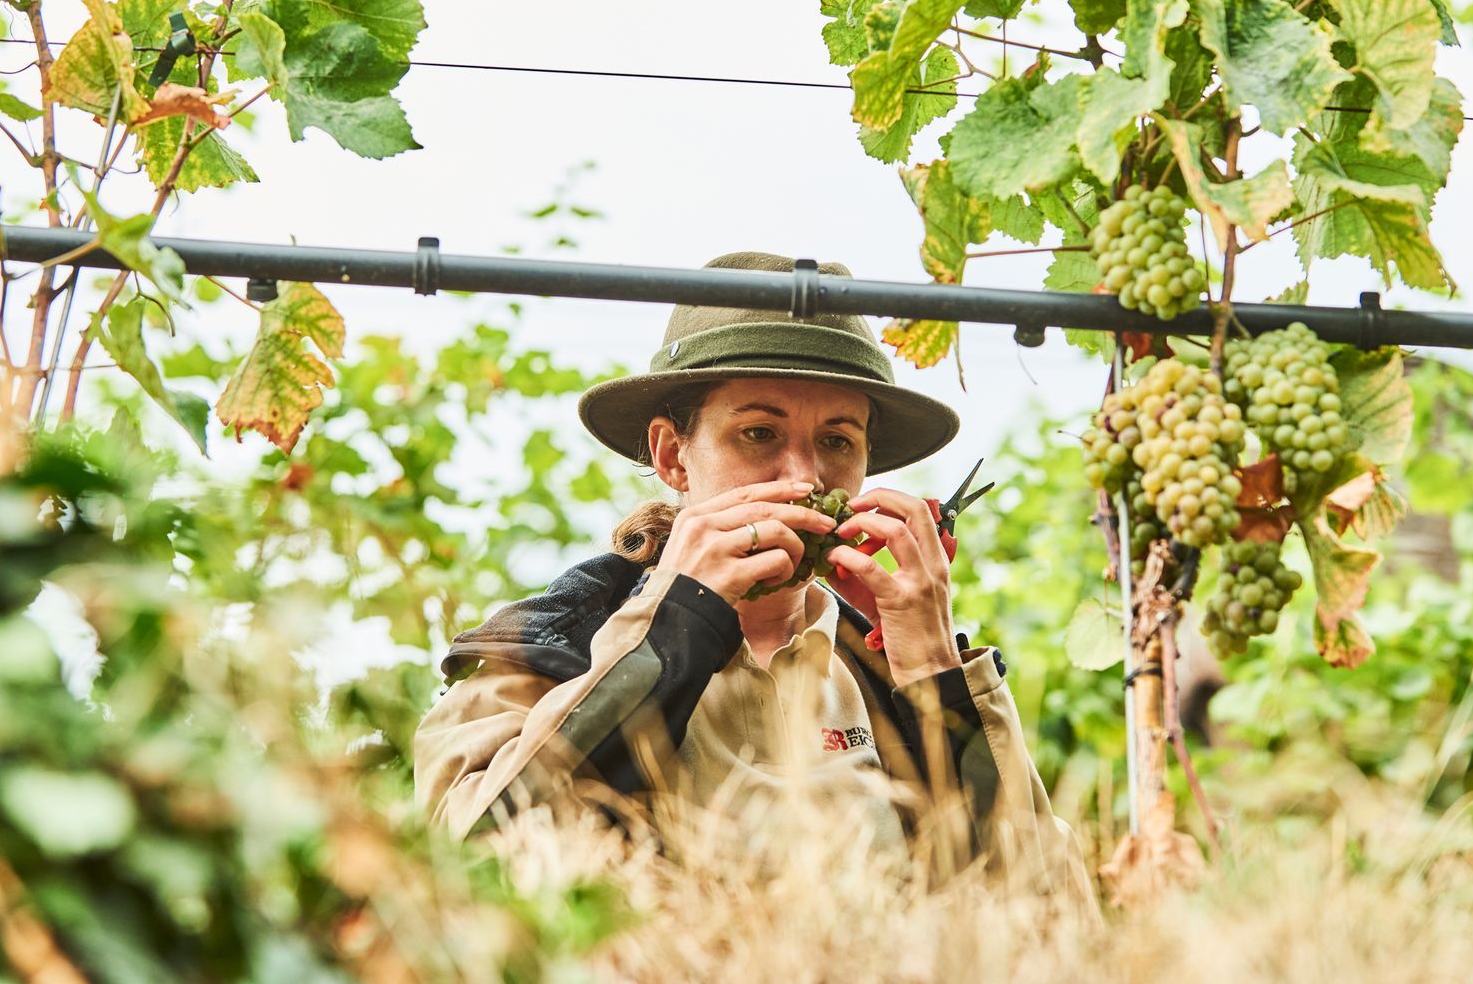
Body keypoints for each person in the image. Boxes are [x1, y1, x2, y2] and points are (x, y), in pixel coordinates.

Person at [412, 251, 1092, 897]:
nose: (803, 476)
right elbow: (468, 871)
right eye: (759, 434)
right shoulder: (543, 651)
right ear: (673, 456)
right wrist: (672, 629)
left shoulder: (883, 677)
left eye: (837, 440)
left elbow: (1050, 920)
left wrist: (938, 679)